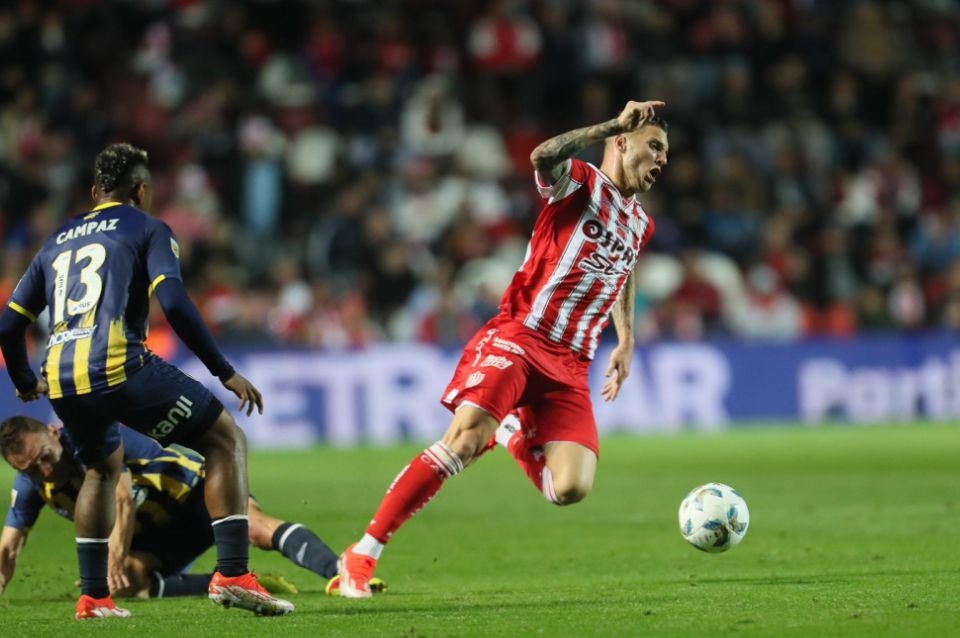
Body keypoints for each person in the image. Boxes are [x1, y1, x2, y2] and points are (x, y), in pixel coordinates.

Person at [338, 100, 669, 597]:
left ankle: (514, 429)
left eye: (665, 152)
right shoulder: (579, 182)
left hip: (572, 366)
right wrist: (608, 123)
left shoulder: (641, 223)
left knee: (570, 488)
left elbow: (623, 271)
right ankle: (363, 553)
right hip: (522, 338)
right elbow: (541, 156)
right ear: (622, 142)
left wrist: (626, 338)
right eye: (655, 146)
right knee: (463, 443)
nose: (662, 159)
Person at [0, 143, 292, 618]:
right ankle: (233, 575)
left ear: (95, 192)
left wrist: (25, 379)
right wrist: (224, 371)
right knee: (224, 438)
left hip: (62, 377)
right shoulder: (148, 227)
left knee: (100, 470)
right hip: (118, 364)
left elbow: (10, 326)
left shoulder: (55, 241)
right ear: (140, 190)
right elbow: (173, 303)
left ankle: (94, 596)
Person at [0, 416, 384, 599]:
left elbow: (121, 499)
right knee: (127, 582)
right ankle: (252, 584)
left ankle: (341, 572)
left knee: (254, 527)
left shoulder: (92, 438)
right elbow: (9, 546)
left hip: (197, 493)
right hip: (156, 535)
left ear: (54, 433)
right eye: (30, 469)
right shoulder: (35, 485)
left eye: (45, 457)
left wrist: (109, 562)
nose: (44, 471)